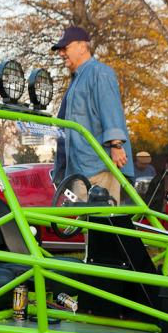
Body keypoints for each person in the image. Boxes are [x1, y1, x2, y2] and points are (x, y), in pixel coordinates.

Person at [51, 26, 134, 202]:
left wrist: (116, 145)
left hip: (99, 169)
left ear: (82, 46)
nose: (61, 54)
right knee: (86, 226)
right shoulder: (77, 80)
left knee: (102, 225)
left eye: (65, 48)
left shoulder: (99, 72)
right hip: (79, 170)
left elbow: (110, 108)